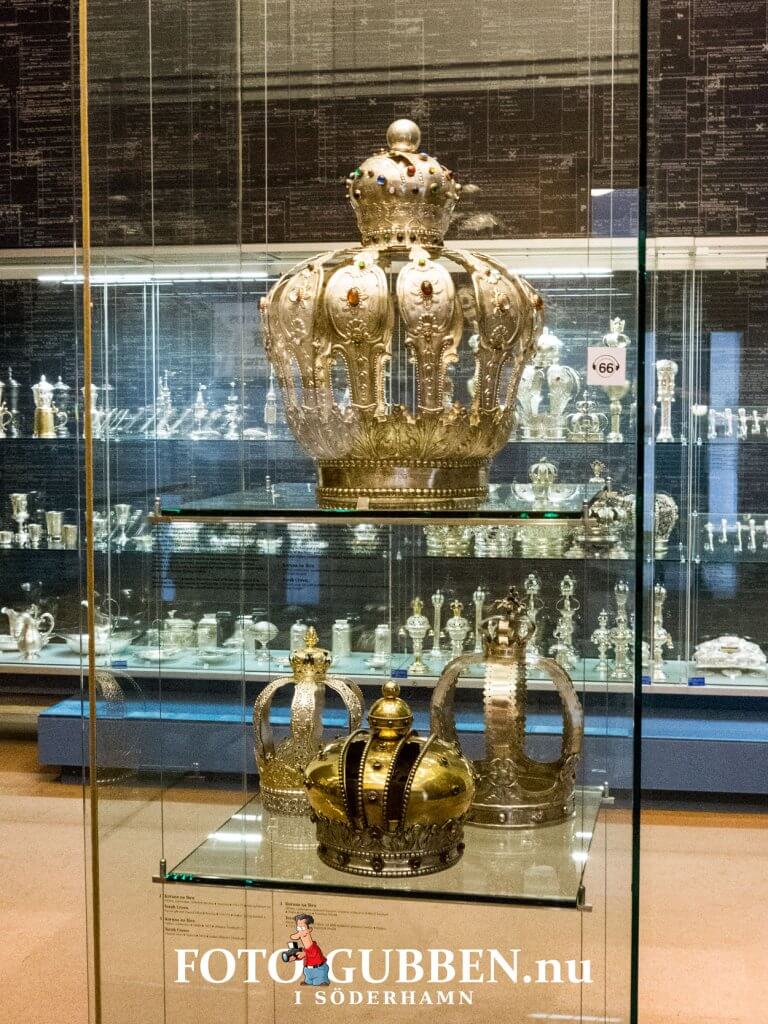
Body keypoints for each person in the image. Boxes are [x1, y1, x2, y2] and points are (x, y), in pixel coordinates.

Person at [291, 913, 330, 986]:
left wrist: (304, 954)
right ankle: (308, 981)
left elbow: (313, 953)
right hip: (308, 971)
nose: (300, 932)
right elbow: (303, 955)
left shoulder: (314, 947)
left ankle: (323, 981)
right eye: (298, 929)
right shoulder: (304, 949)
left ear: (309, 929)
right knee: (308, 982)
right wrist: (295, 957)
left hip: (319, 970)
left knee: (318, 983)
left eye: (302, 928)